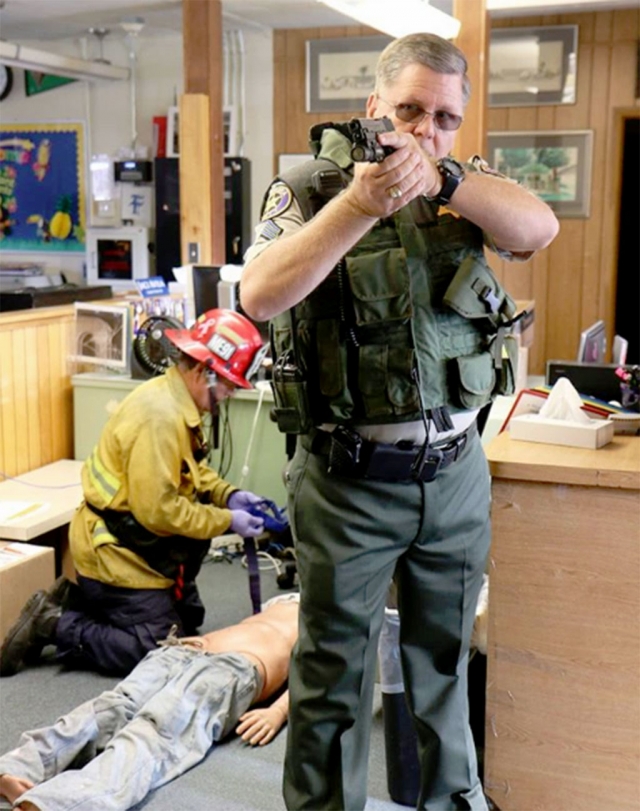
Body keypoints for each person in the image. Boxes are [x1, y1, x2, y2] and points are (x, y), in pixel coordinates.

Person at [240, 32, 559, 811]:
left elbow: (538, 229)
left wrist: (447, 176)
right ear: (374, 105)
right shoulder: (309, 186)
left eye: (445, 117)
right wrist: (362, 201)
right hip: (347, 481)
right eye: (410, 110)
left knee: (444, 669)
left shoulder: (465, 189)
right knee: (332, 680)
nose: (426, 130)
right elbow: (259, 295)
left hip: (452, 476)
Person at [0, 309, 270, 679]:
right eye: (228, 384)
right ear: (203, 371)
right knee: (156, 648)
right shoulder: (160, 417)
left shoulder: (177, 400)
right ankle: (55, 622)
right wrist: (227, 521)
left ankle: (86, 603)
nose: (229, 394)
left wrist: (228, 495)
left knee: (189, 621)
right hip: (115, 550)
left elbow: (189, 471)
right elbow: (159, 512)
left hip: (139, 543)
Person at [0, 594, 299, 811]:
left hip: (207, 658)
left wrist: (278, 710)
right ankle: (39, 790)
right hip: (194, 655)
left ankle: (21, 774)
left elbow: (320, 674)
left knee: (129, 718)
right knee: (133, 722)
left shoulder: (321, 613)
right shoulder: (320, 606)